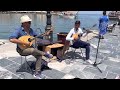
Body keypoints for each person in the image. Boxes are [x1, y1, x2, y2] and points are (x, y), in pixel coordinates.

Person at [9, 15, 53, 79]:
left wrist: (46, 34)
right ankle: (46, 54)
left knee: (38, 55)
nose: (30, 23)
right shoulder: (18, 30)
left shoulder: (31, 30)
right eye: (28, 22)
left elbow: (37, 37)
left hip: (30, 48)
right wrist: (24, 42)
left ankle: (37, 73)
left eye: (30, 22)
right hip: (21, 50)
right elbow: (11, 39)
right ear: (24, 23)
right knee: (33, 50)